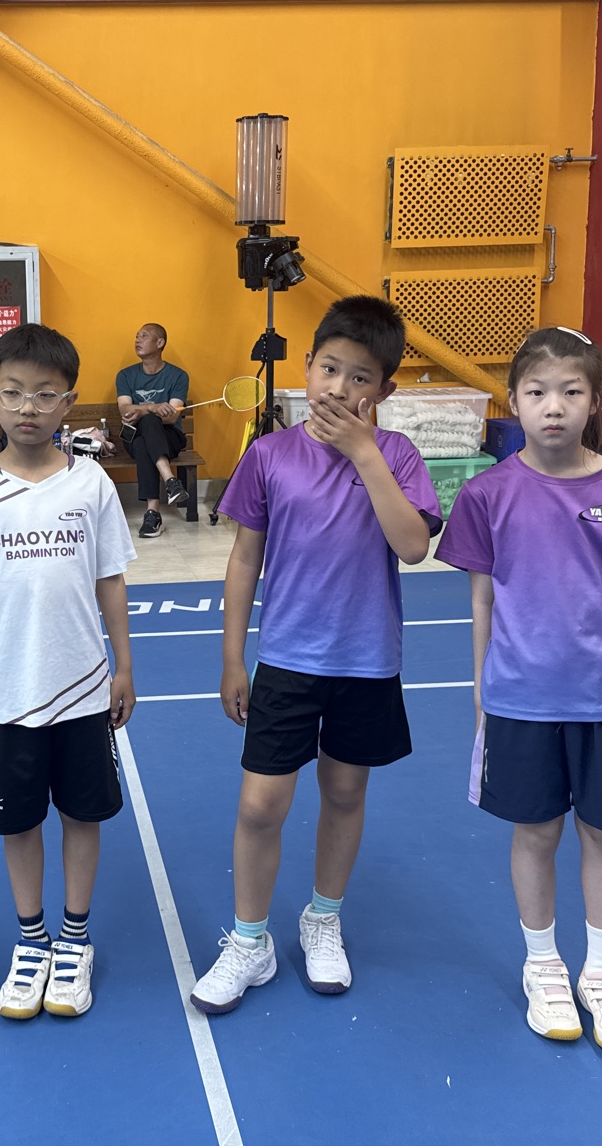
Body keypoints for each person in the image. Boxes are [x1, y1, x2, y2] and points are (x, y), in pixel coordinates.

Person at [190, 296, 440, 1014]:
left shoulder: (397, 455)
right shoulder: (270, 455)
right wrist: (233, 657)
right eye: (329, 368)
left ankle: (322, 918)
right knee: (260, 804)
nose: (339, 387)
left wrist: (364, 453)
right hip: (288, 661)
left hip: (366, 662)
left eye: (360, 377)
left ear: (384, 389)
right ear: (306, 367)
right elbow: (245, 559)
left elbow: (413, 545)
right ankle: (250, 940)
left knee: (345, 792)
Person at [434, 327, 602, 1056]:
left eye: (572, 391)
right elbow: (482, 601)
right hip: (521, 695)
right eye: (537, 392)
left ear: (595, 402)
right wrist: (481, 687)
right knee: (536, 831)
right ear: (513, 401)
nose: (554, 406)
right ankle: (543, 964)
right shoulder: (486, 494)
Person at [0, 323, 137, 1021]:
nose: (28, 406)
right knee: (18, 822)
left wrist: (124, 664)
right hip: (7, 692)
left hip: (82, 686)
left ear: (68, 403)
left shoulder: (91, 483)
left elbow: (110, 579)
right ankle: (32, 939)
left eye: (45, 394)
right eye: (14, 392)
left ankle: (74, 938)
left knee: (82, 813)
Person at [115, 322, 190, 539]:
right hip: (133, 435)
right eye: (136, 336)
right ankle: (170, 481)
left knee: (145, 434)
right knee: (143, 433)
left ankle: (153, 514)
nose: (137, 340)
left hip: (169, 437)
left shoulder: (178, 376)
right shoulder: (125, 375)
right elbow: (124, 410)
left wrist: (143, 412)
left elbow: (172, 417)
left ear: (160, 342)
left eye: (144, 336)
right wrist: (151, 407)